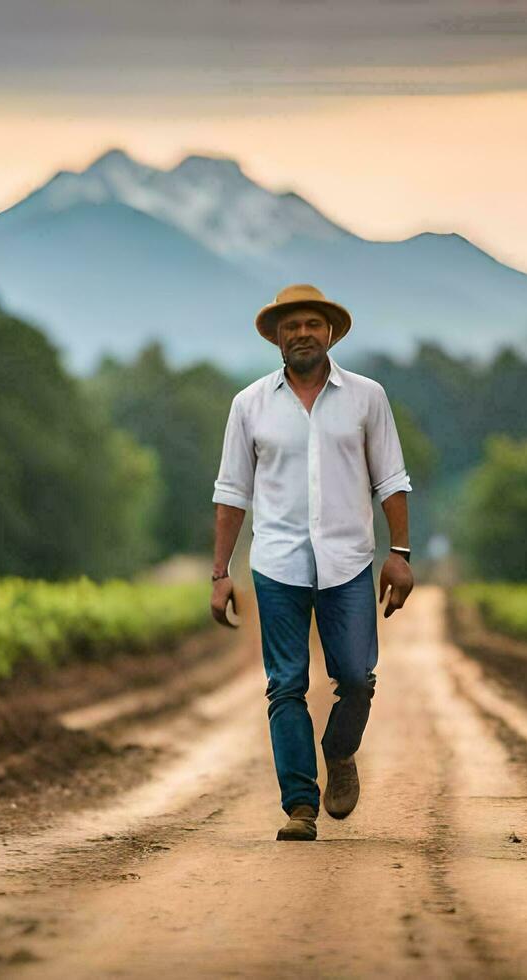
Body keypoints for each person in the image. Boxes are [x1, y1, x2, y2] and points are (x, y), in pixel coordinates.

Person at [209, 283, 415, 842]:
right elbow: (232, 493)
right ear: (277, 338)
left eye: (311, 325)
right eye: (290, 326)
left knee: (355, 676)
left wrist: (398, 553)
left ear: (329, 333)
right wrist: (221, 572)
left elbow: (391, 480)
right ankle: (300, 805)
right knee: (286, 685)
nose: (301, 333)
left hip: (348, 560)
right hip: (277, 564)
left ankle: (340, 751)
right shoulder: (248, 405)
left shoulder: (367, 397)